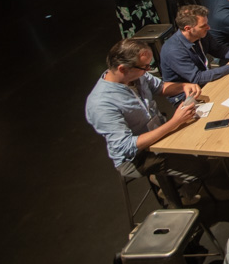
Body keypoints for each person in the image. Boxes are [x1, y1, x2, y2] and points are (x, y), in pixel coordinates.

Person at [85, 39, 208, 207]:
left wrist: (183, 86)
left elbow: (160, 87)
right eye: (145, 67)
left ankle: (175, 186)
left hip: (159, 134)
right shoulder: (101, 104)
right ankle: (172, 194)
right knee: (199, 167)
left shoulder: (137, 75)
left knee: (204, 142)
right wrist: (175, 122)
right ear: (122, 69)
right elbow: (126, 146)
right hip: (137, 157)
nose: (148, 70)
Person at [160, 5, 229, 87]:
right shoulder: (174, 51)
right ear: (188, 28)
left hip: (205, 80)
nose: (208, 28)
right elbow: (197, 78)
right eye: (203, 26)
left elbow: (220, 50)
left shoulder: (201, 34)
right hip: (187, 95)